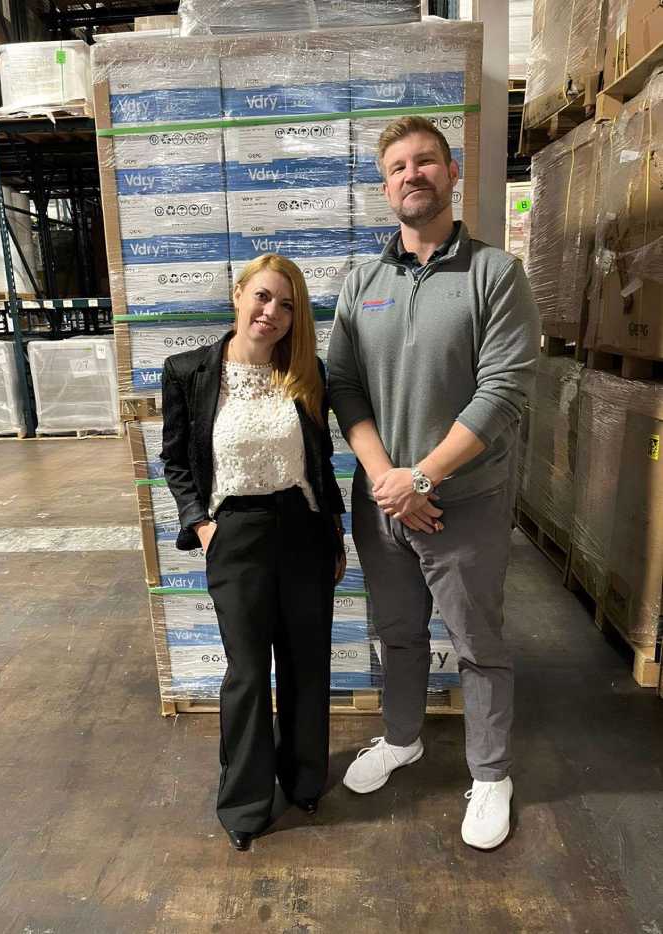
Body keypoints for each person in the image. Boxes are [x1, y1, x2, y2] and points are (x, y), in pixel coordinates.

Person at [327, 116, 540, 850]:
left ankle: (490, 774)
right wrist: (388, 479)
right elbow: (344, 386)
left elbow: (503, 389)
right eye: (396, 166)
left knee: (478, 642)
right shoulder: (361, 283)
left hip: (464, 504)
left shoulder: (494, 275)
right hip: (383, 501)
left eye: (424, 162)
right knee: (398, 633)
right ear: (384, 187)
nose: (410, 174)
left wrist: (424, 476)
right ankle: (403, 738)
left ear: (450, 174)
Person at [160, 253, 346, 852]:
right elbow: (176, 460)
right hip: (235, 533)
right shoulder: (188, 371)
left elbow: (320, 462)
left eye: (287, 305)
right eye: (263, 297)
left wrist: (334, 531)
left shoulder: (306, 371)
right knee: (246, 672)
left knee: (305, 661)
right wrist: (202, 524)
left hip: (303, 529)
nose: (273, 312)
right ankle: (244, 803)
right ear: (238, 294)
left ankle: (305, 779)